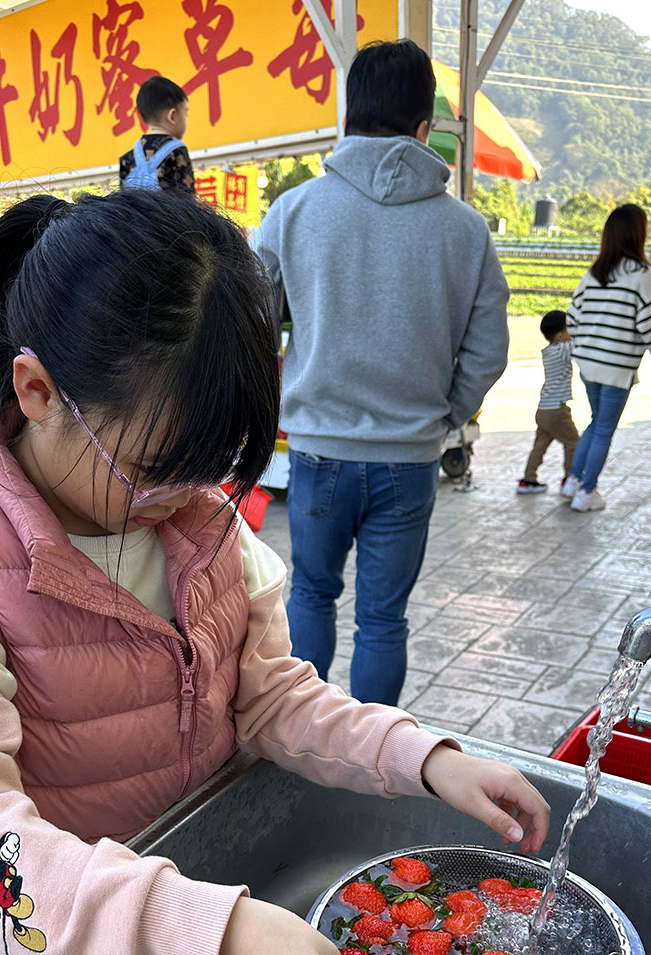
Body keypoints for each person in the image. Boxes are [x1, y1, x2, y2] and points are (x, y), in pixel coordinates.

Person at [0, 190, 549, 955]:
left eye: (207, 465)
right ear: (35, 390)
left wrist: (424, 758)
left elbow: (271, 695)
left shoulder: (200, 520)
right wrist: (217, 933)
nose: (183, 495)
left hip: (201, 907)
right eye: (151, 467)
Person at [255, 39, 509, 708]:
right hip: (409, 459)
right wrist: (446, 414)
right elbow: (488, 350)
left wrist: (280, 391)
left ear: (349, 115)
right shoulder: (465, 231)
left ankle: (305, 738)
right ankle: (376, 759)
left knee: (310, 594)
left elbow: (247, 320)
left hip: (317, 450)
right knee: (384, 620)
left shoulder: (295, 212)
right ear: (425, 128)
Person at [564, 203, 651, 512]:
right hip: (616, 368)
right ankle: (587, 493)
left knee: (595, 421)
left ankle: (572, 480)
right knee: (603, 429)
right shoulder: (641, 275)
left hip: (587, 365)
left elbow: (572, 319)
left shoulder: (594, 273)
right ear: (637, 235)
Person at [517, 309, 579, 495]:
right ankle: (569, 479)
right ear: (561, 334)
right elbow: (583, 344)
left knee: (540, 445)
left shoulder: (550, 350)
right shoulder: (563, 349)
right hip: (556, 410)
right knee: (573, 443)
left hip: (543, 409)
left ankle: (528, 480)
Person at [118, 75, 195, 193]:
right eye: (185, 113)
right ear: (172, 116)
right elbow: (187, 196)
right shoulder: (177, 151)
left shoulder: (128, 157)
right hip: (166, 212)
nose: (186, 119)